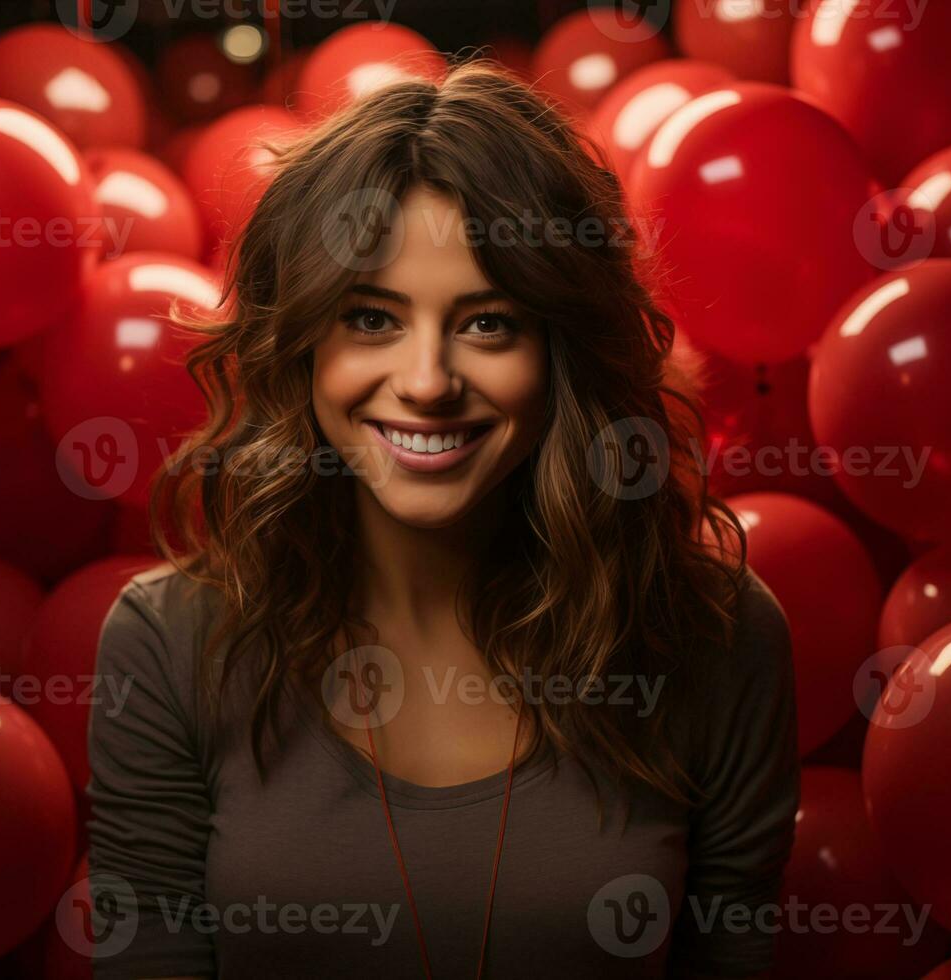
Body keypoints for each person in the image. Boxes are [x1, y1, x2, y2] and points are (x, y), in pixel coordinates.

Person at [87, 59, 798, 980]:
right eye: (372, 319)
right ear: (299, 347)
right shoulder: (171, 645)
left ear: (563, 354)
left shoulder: (717, 637)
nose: (427, 383)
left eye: (488, 323)